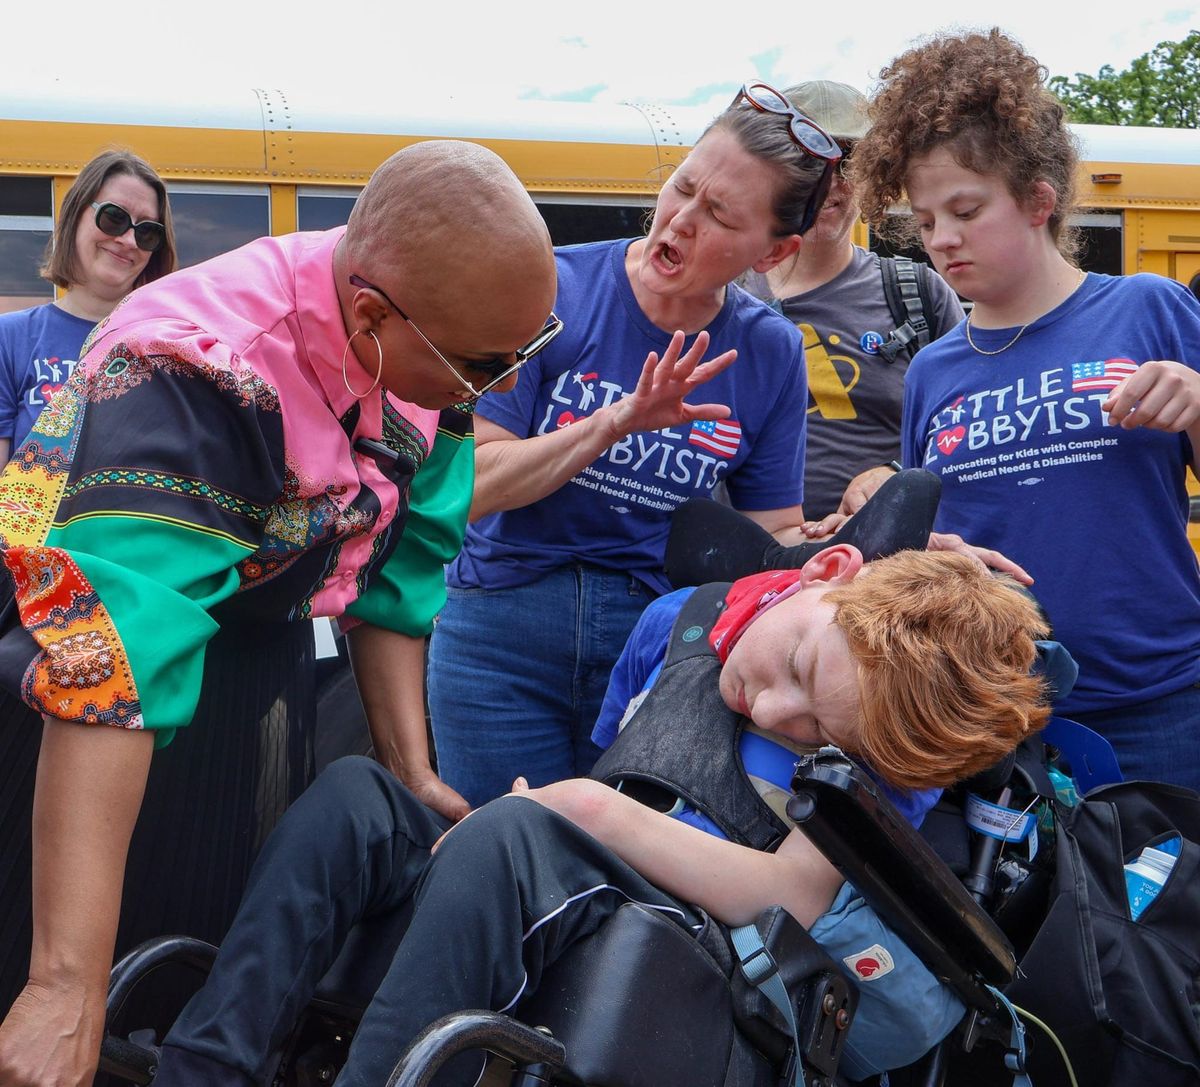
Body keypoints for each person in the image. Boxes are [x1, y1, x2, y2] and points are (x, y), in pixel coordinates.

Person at [0, 139, 560, 1087]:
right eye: (481, 365)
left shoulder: (433, 340)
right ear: (374, 315)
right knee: (62, 1007)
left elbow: (396, 574)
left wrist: (410, 770)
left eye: (520, 356)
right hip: (67, 675)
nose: (495, 387)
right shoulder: (194, 368)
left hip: (248, 659)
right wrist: (64, 982)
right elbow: (113, 665)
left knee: (191, 963)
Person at [151, 545, 1051, 1086]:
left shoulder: (891, 741)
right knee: (358, 799)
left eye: (817, 727)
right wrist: (573, 810)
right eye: (801, 672)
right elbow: (625, 767)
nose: (778, 712)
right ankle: (205, 1066)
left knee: (517, 835)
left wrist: (576, 810)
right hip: (567, 874)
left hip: (699, 945)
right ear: (823, 571)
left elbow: (795, 895)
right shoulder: (676, 620)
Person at [428, 82, 842, 808]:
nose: (679, 220)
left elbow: (768, 533)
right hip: (501, 627)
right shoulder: (551, 287)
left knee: (620, 876)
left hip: (652, 637)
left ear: (775, 249)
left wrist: (833, 545)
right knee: (496, 851)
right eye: (682, 186)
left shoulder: (770, 350)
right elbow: (476, 482)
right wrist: (615, 421)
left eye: (718, 214)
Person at [851, 28, 1200, 789]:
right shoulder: (934, 368)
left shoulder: (1148, 308)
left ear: (1039, 200)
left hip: (1162, 710)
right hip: (993, 716)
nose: (941, 240)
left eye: (967, 211)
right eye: (925, 219)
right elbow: (923, 546)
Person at [741, 81, 964, 523]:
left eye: (848, 162)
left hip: (886, 568)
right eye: (807, 159)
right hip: (751, 567)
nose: (830, 182)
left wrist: (895, 473)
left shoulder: (916, 294)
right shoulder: (721, 295)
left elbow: (972, 424)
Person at [0, 149, 177, 462]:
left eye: (147, 231)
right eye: (114, 218)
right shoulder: (9, 339)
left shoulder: (172, 345)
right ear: (76, 213)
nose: (129, 240)